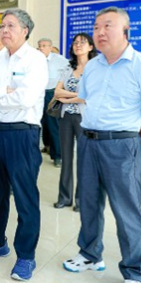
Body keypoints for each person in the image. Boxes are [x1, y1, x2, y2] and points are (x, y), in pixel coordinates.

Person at [62, 7, 141, 283]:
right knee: (88, 203)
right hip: (89, 141)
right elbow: (87, 101)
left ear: (125, 32)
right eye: (96, 27)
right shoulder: (93, 67)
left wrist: (133, 143)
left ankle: (135, 273)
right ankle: (90, 254)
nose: (100, 32)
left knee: (126, 210)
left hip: (122, 145)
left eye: (108, 26)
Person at [0, 8, 47, 282]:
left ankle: (26, 256)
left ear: (25, 30)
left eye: (10, 26)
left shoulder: (35, 60)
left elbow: (26, 99)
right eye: (2, 26)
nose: (3, 30)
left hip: (21, 134)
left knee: (25, 197)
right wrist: (5, 92)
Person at [53, 33, 97, 211]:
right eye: (75, 42)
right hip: (66, 117)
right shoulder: (68, 67)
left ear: (91, 47)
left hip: (84, 118)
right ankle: (64, 198)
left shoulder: (95, 68)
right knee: (66, 158)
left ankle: (81, 200)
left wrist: (68, 98)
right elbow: (57, 92)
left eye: (83, 42)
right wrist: (76, 96)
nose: (78, 45)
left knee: (84, 159)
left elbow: (89, 97)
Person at [38, 38, 69, 166]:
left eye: (44, 46)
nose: (41, 48)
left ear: (50, 47)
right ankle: (47, 146)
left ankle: (58, 156)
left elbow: (69, 72)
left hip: (52, 94)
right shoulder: (34, 59)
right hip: (37, 94)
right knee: (41, 123)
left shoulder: (59, 60)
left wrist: (61, 89)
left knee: (53, 125)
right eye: (39, 46)